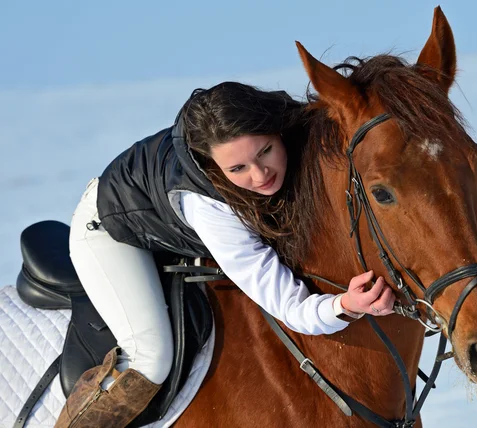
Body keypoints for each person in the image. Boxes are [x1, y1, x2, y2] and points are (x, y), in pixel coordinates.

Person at [57, 82, 396, 427]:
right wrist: (344, 306)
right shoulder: (209, 206)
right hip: (109, 229)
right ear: (213, 166)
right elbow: (289, 307)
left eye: (265, 151)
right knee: (151, 356)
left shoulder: (300, 128)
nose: (260, 174)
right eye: (238, 169)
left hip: (159, 208)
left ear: (278, 128)